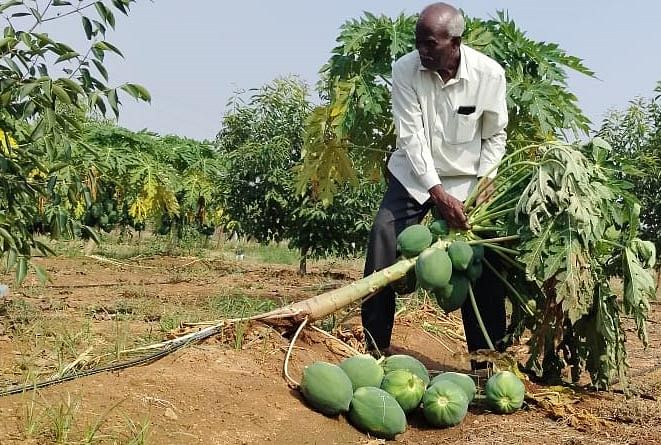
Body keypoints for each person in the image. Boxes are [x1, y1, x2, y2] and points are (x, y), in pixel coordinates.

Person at [361, 2, 508, 369]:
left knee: (483, 266)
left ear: (455, 42)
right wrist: (435, 191)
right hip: (415, 176)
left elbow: (495, 135)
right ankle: (375, 351)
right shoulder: (405, 70)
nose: (421, 51)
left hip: (467, 182)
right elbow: (411, 137)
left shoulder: (488, 75)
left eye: (430, 44)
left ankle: (486, 365)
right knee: (383, 238)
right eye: (418, 43)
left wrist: (486, 179)